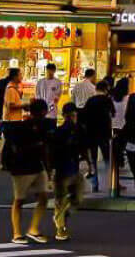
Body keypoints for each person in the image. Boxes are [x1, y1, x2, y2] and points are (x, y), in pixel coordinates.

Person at [2, 98, 52, 244]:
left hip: (29, 167)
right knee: (21, 200)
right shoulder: (35, 126)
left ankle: (31, 230)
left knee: (35, 198)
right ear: (43, 111)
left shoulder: (22, 126)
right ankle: (18, 233)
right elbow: (45, 148)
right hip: (25, 167)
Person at [50, 102, 85, 242]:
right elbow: (51, 151)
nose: (72, 118)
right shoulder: (59, 131)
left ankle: (61, 215)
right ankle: (60, 228)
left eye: (74, 115)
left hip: (74, 168)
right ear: (64, 116)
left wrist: (88, 162)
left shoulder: (79, 130)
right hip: (62, 170)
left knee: (77, 198)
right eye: (70, 115)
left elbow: (83, 147)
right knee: (61, 199)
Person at [79, 77, 113, 188]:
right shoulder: (107, 100)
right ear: (106, 89)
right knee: (107, 157)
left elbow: (83, 116)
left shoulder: (90, 100)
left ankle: (95, 184)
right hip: (104, 132)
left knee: (93, 159)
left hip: (91, 133)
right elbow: (113, 113)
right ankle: (110, 181)